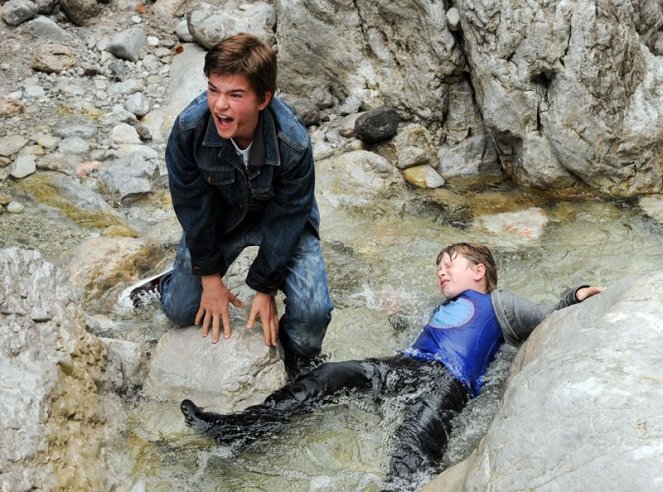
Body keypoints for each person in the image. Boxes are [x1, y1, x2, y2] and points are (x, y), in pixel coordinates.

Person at [179, 242, 603, 487]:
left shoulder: (499, 303)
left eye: (448, 264)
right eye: (438, 268)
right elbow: (429, 335)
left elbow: (546, 319)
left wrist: (575, 296)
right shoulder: (445, 305)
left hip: (448, 382)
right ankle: (242, 428)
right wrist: (395, 314)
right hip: (407, 365)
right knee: (329, 375)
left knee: (412, 443)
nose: (440, 273)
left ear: (478, 270)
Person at [128, 33, 334, 372]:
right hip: (220, 219)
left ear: (262, 98)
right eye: (213, 90)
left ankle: (292, 366)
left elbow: (288, 218)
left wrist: (264, 288)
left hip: (282, 221)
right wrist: (209, 279)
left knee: (312, 320)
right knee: (181, 310)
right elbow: (192, 208)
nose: (220, 105)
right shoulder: (189, 131)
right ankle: (167, 282)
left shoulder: (292, 142)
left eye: (235, 95)